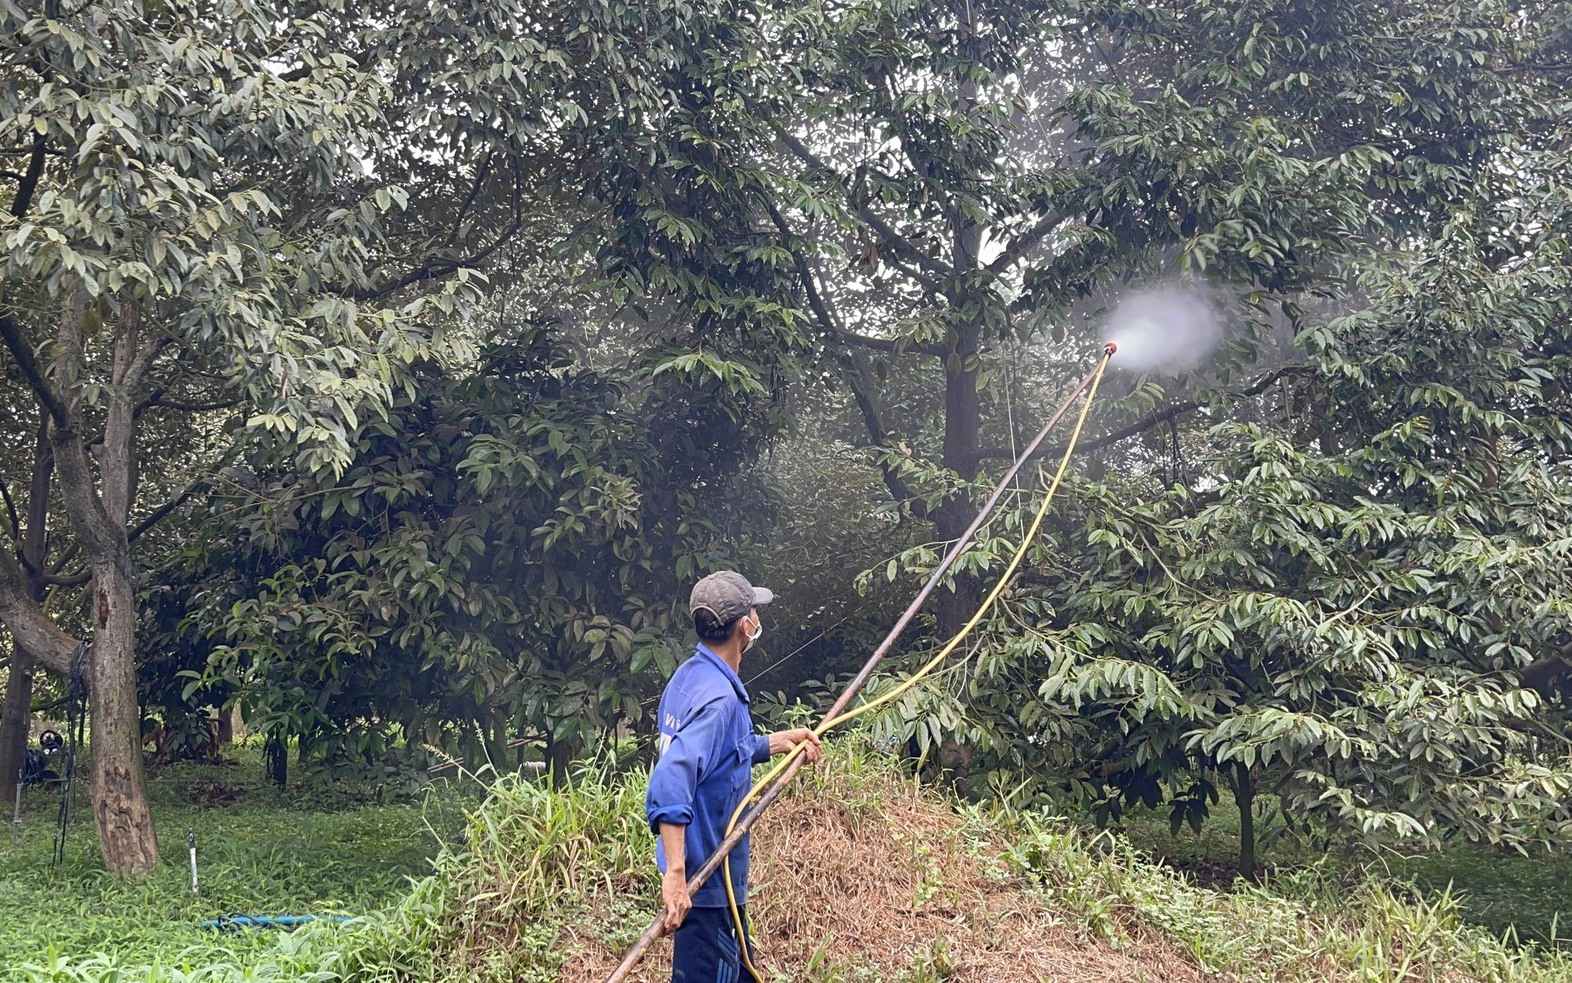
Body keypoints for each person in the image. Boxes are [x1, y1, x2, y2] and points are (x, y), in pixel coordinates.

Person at [646, 571, 821, 982]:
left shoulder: (692, 677)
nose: (757, 616)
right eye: (753, 610)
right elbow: (672, 779)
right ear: (745, 625)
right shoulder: (720, 699)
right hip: (706, 877)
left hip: (709, 872)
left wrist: (776, 743)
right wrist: (676, 875)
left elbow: (719, 754)